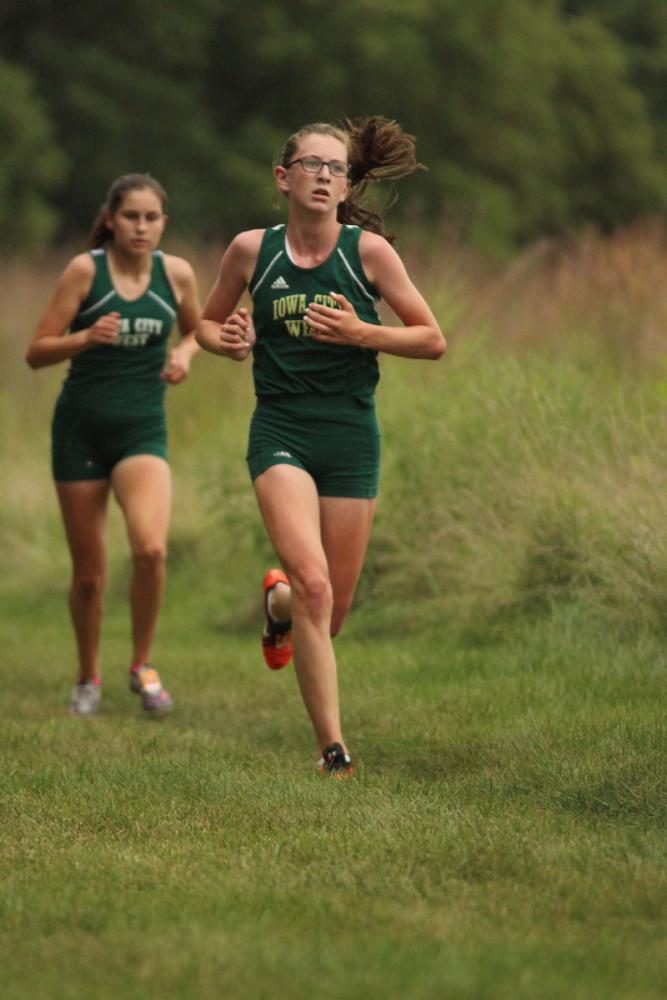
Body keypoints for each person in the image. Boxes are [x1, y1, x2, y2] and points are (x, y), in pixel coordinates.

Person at [197, 117, 445, 774]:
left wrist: (361, 332)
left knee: (326, 612)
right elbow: (206, 321)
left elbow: (430, 338)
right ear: (284, 178)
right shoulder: (251, 251)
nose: (324, 176)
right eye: (311, 165)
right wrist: (223, 340)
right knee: (314, 585)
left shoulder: (369, 254)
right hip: (280, 430)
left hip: (349, 435)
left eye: (335, 168)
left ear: (345, 184)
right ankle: (332, 750)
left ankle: (275, 607)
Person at [26, 173, 201, 716]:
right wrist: (85, 336)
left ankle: (142, 666)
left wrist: (185, 356)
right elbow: (37, 351)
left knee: (150, 548)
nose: (141, 227)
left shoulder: (176, 274)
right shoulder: (85, 271)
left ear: (163, 223)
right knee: (90, 574)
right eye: (131, 217)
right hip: (80, 431)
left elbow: (199, 329)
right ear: (110, 220)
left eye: (151, 218)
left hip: (142, 429)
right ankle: (87, 676)